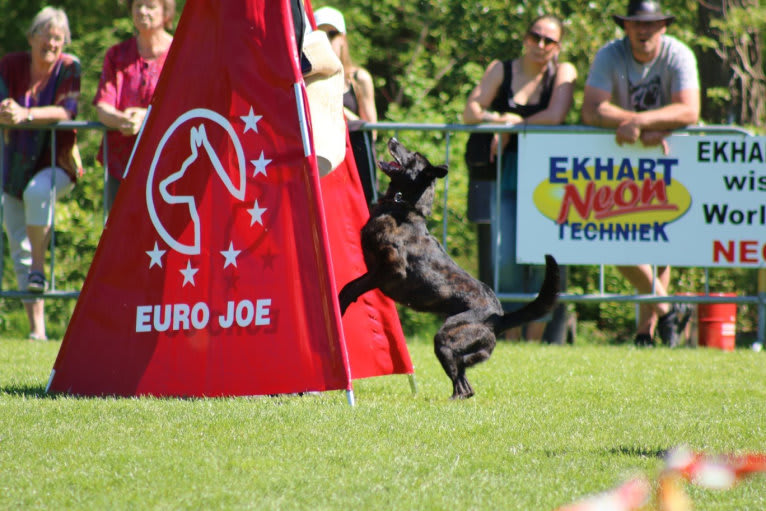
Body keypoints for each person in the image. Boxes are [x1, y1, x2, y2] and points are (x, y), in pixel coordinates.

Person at [581, 0, 699, 347]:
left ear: (663, 26)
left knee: (661, 243)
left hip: (669, 156)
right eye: (637, 23)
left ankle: (645, 334)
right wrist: (634, 127)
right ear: (626, 26)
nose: (644, 29)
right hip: (618, 160)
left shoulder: (679, 54)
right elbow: (591, 108)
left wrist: (640, 122)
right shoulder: (610, 54)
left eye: (652, 23)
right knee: (611, 236)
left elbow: (689, 109)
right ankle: (667, 309)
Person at [462, 15, 577, 341]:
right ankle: (511, 341)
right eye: (535, 36)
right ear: (525, 37)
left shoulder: (564, 72)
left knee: (545, 260)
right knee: (506, 260)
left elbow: (555, 116)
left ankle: (536, 342)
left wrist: (513, 128)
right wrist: (500, 119)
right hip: (503, 175)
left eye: (549, 40)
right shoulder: (502, 69)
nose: (540, 45)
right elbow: (470, 111)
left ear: (558, 46)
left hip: (548, 179)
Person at [0, 6, 82, 341]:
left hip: (58, 162)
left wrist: (26, 114)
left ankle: (39, 267)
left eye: (57, 38)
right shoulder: (11, 65)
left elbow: (68, 109)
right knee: (15, 237)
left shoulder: (69, 67)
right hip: (14, 167)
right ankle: (38, 330)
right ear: (32, 37)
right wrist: (6, 109)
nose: (51, 43)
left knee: (38, 192)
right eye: (45, 36)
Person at [94, 0, 175, 213]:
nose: (142, 11)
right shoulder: (117, 55)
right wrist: (124, 120)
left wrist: (145, 116)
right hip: (122, 165)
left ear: (166, 12)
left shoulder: (179, 54)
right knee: (120, 238)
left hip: (168, 163)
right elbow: (103, 107)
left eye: (150, 6)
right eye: (138, 5)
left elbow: (185, 106)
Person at [313, 6, 379, 207]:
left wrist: (339, 113)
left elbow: (372, 131)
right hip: (324, 164)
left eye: (332, 34)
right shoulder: (306, 80)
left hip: (354, 162)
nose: (327, 40)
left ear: (343, 39)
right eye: (320, 34)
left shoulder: (359, 79)